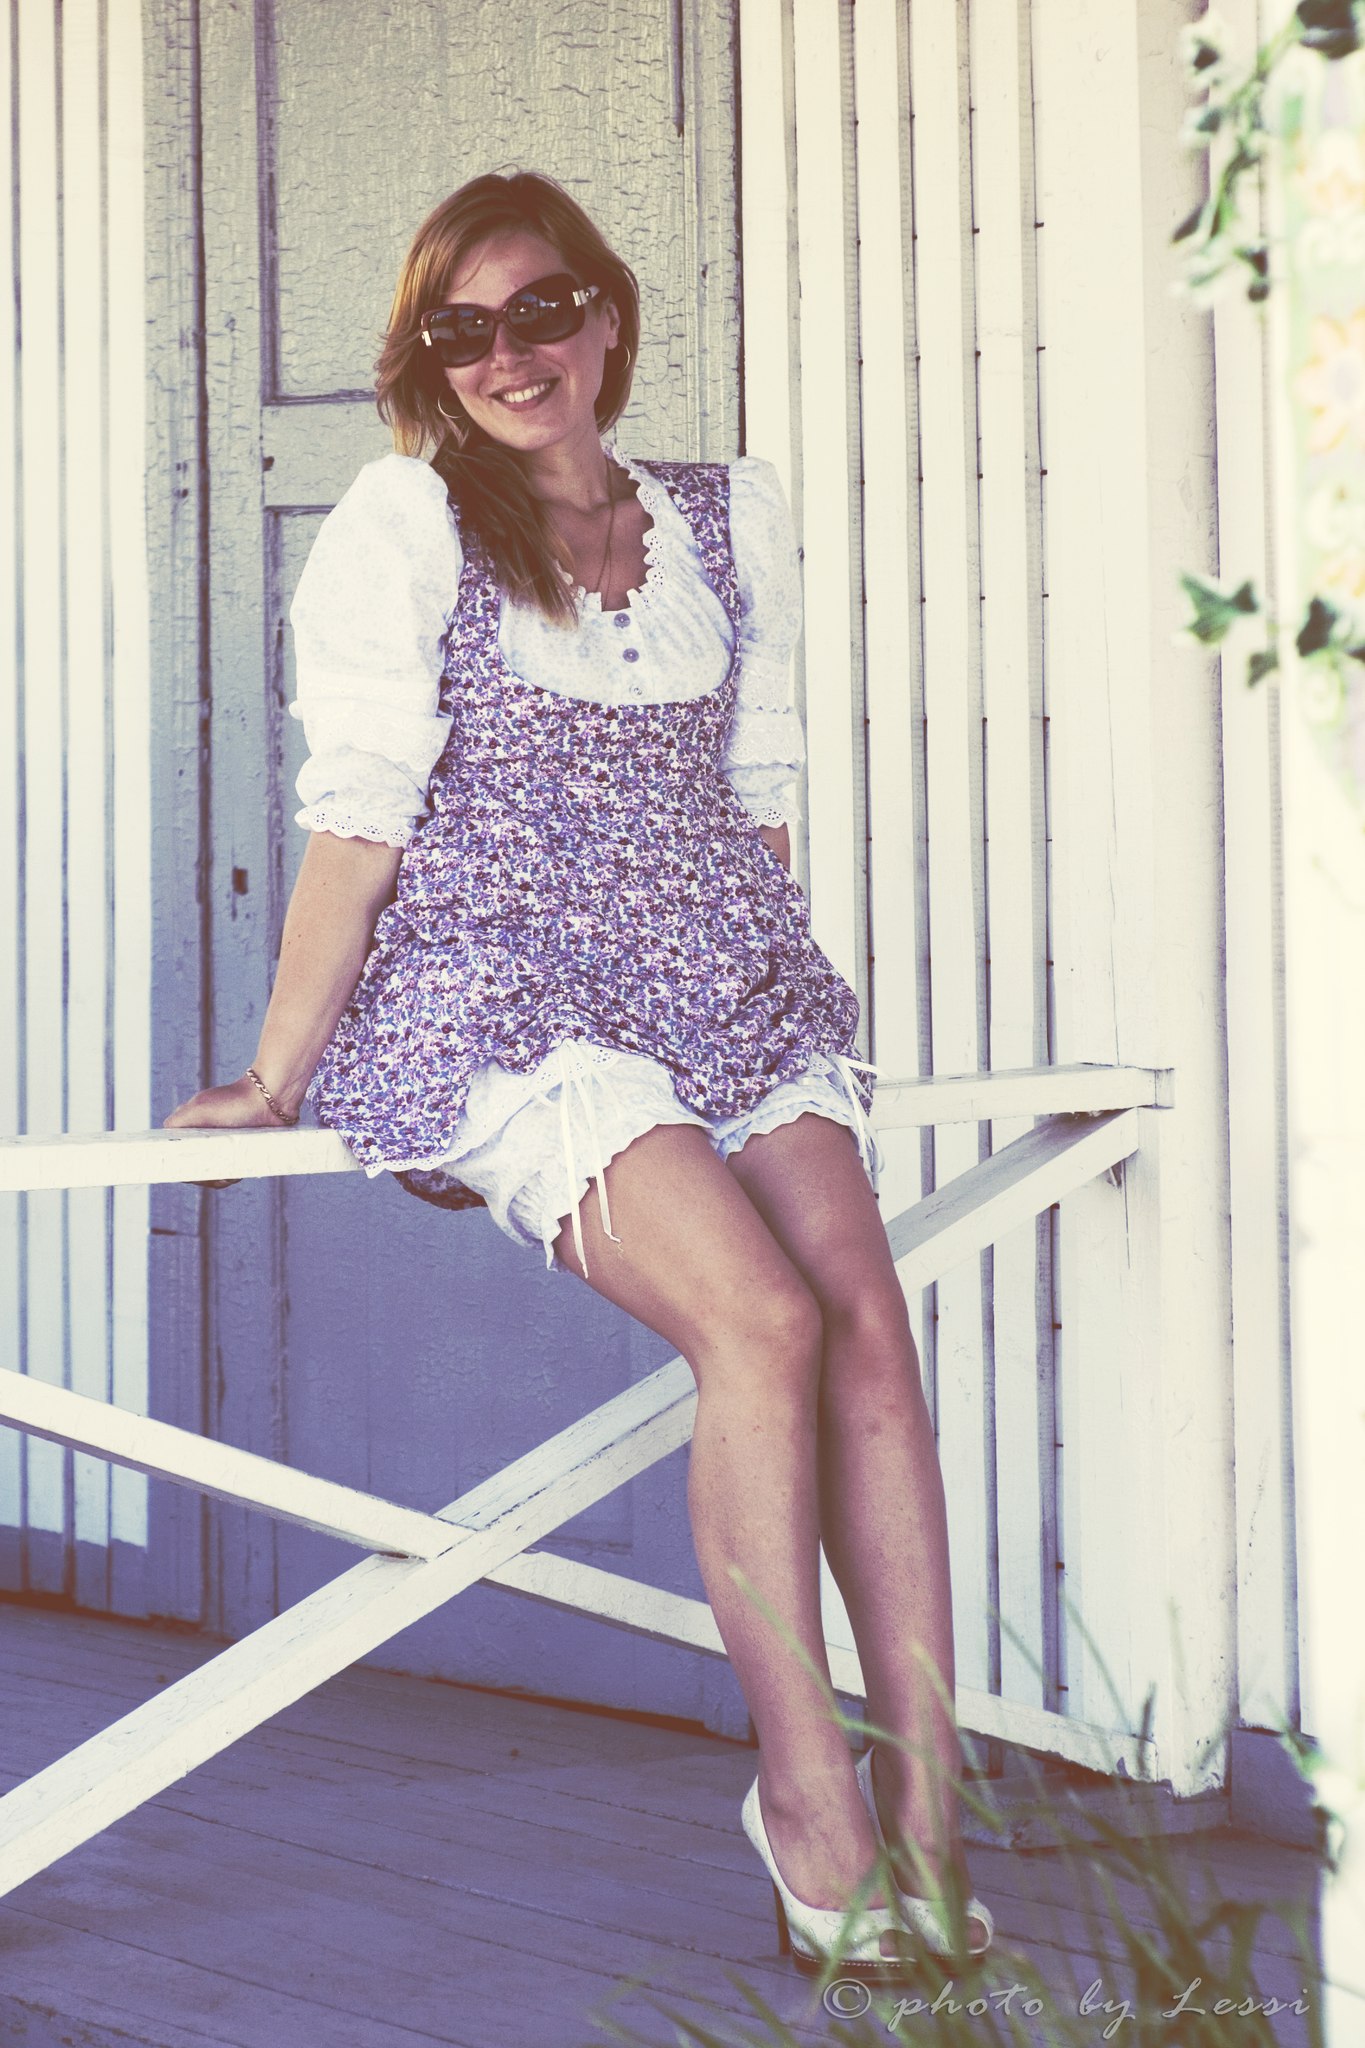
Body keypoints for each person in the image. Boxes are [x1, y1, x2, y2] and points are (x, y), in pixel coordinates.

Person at [163, 169, 992, 1975]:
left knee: (864, 1315)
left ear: (606, 314)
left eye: (539, 309)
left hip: (720, 967)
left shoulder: (724, 517)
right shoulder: (407, 523)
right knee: (758, 1322)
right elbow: (358, 819)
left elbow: (754, 801)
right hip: (508, 985)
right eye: (461, 330)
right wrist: (278, 1077)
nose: (507, 354)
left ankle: (931, 1811)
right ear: (430, 363)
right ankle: (809, 1804)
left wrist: (764, 999)